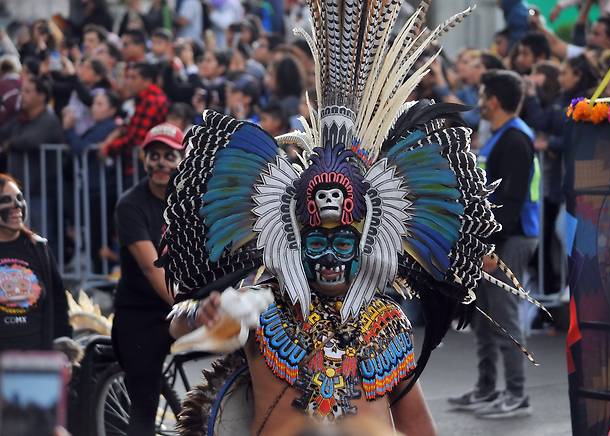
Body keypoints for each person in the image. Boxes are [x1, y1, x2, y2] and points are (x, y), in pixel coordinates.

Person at [162, 2, 537, 435]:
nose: (329, 258)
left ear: (367, 244)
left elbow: (418, 425)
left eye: (343, 243)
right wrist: (203, 314)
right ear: (293, 241)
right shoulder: (264, 313)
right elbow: (175, 327)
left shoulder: (387, 326)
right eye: (316, 243)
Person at [448, 70, 539, 418]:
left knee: (503, 317)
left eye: (482, 94)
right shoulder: (502, 135)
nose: (479, 101)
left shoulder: (515, 139)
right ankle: (487, 389)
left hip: (509, 240)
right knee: (485, 317)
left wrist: (489, 247)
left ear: (494, 101)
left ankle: (516, 394)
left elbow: (511, 201)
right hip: (495, 240)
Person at [111, 123, 185, 436]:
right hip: (141, 316)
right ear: (144, 160)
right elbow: (153, 269)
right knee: (143, 407)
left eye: (169, 155)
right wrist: (191, 308)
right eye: (154, 155)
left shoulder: (189, 201)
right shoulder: (130, 205)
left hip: (178, 308)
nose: (161, 163)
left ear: (183, 159)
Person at [0, 173, 71, 352]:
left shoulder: (39, 248)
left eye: (19, 198)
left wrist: (62, 350)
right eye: (6, 200)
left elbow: (59, 304)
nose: (17, 205)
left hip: (38, 362)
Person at [100, 62, 169, 175]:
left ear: (147, 80)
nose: (128, 82)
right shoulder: (145, 99)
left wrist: (108, 147)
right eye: (128, 77)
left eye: (133, 77)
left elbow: (135, 139)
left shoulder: (150, 100)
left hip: (143, 167)